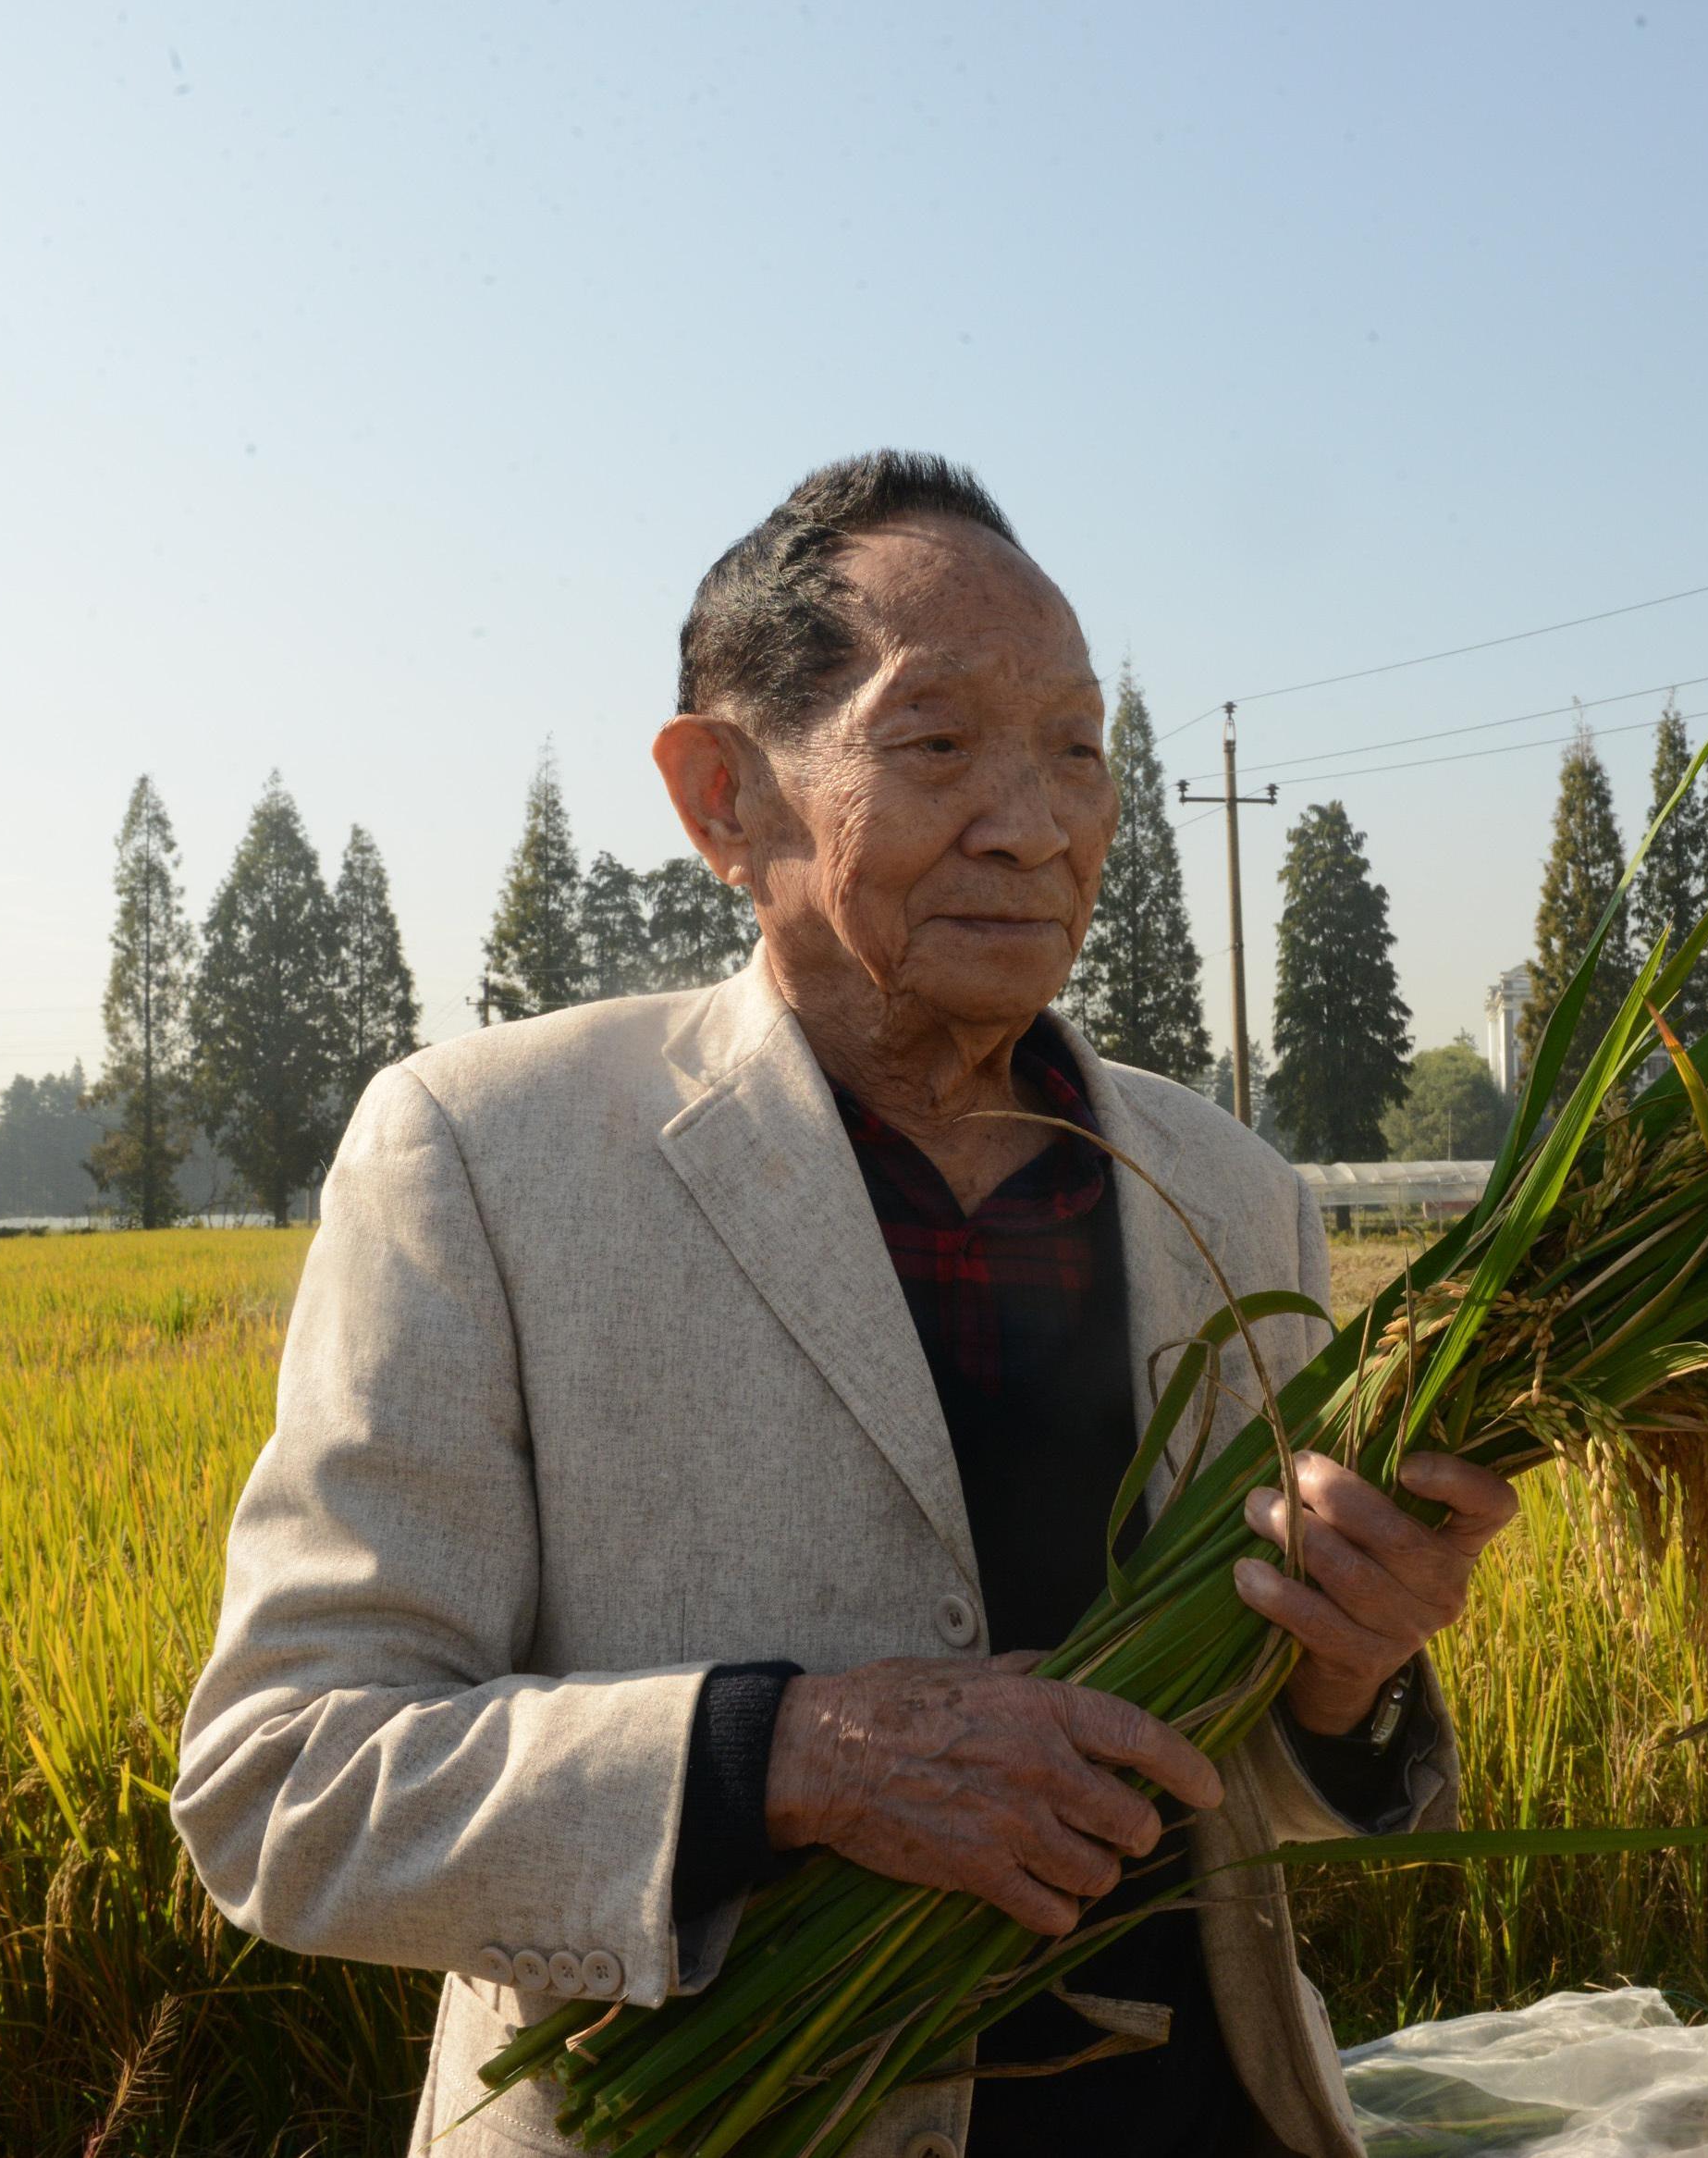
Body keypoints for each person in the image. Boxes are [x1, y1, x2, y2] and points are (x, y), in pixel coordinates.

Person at [172, 452, 1521, 2157]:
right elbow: (286, 1784)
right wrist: (789, 1753)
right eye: (939, 743)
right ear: (723, 794)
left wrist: (1352, 1673)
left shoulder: (1229, 1194)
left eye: (1081, 751)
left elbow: (1240, 1791)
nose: (1036, 822)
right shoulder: (490, 1156)